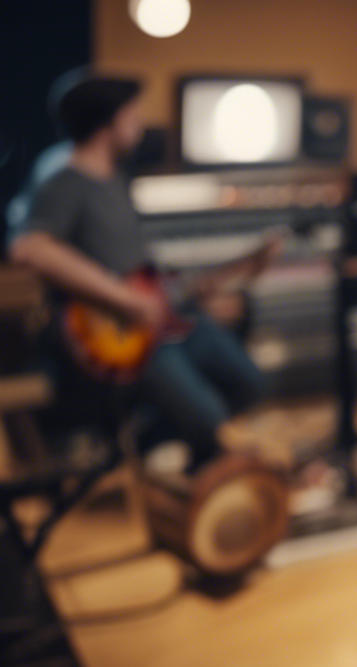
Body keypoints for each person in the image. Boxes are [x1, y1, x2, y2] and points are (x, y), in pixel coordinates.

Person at [9, 69, 273, 471]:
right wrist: (123, 300)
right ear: (107, 123)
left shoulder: (114, 178)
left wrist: (210, 286)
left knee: (249, 384)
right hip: (119, 335)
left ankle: (142, 453)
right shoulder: (63, 178)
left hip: (163, 321)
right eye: (132, 116)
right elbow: (29, 247)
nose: (140, 125)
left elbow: (140, 273)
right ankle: (162, 464)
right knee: (211, 421)